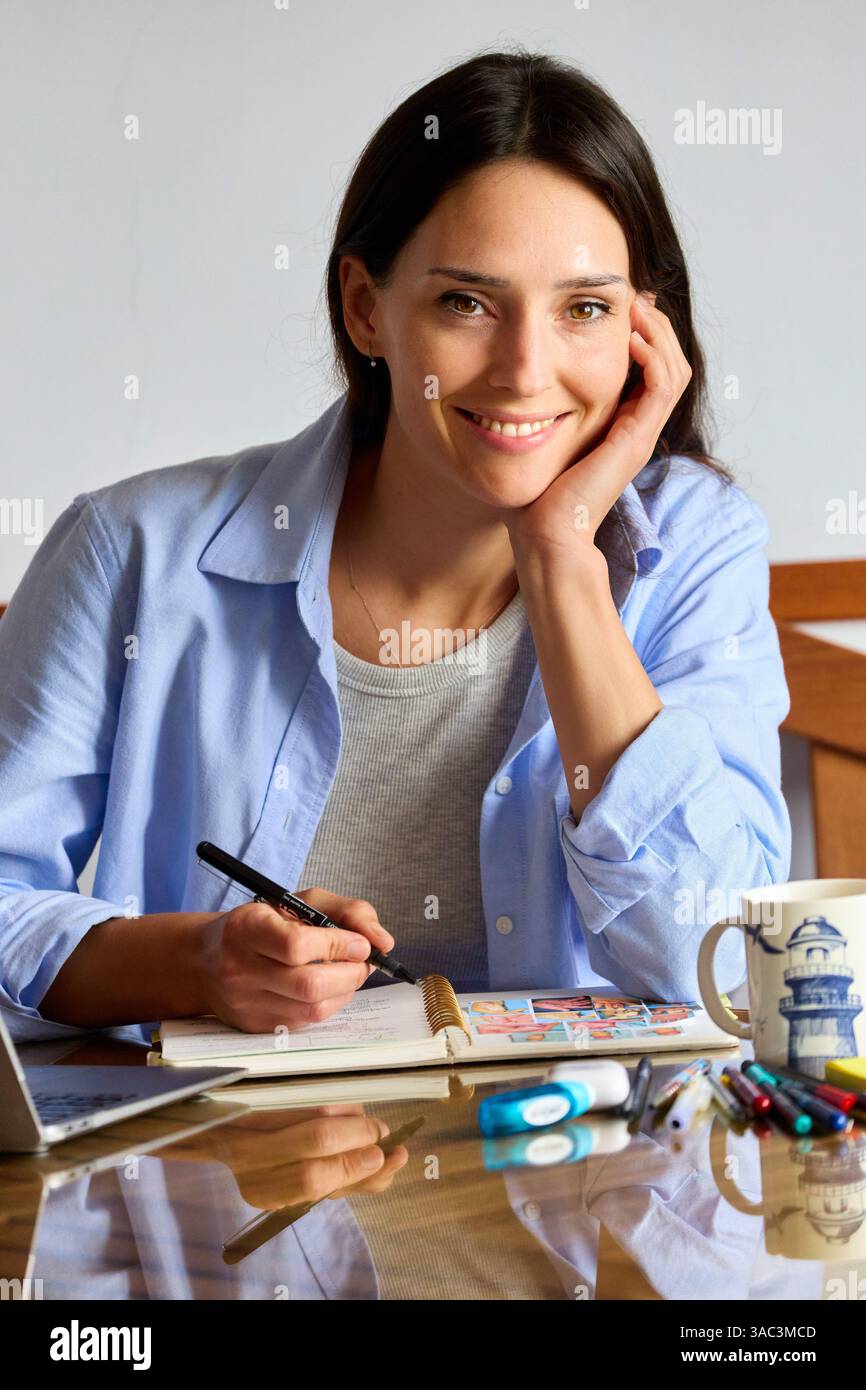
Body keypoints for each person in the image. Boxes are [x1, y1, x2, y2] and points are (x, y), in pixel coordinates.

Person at [0, 50, 791, 1044]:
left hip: (579, 1175)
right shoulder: (129, 552)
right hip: (233, 1181)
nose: (522, 369)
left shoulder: (696, 548)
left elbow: (723, 959)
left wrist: (559, 564)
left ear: (641, 332)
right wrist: (193, 964)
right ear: (366, 309)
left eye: (582, 307)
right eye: (466, 301)